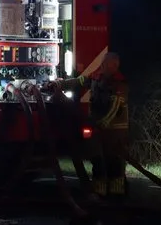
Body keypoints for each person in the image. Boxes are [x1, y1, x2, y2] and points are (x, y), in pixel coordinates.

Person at [52, 52, 129, 198]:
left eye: (115, 65)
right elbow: (79, 82)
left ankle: (117, 197)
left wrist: (103, 123)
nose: (113, 68)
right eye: (110, 65)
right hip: (99, 128)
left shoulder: (120, 83)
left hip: (115, 132)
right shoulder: (95, 77)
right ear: (104, 64)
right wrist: (61, 84)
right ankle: (99, 194)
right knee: (98, 161)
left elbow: (116, 106)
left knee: (115, 164)